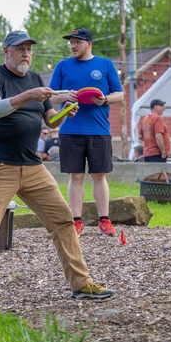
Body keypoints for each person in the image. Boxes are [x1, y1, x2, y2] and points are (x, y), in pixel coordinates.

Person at [0, 30, 113, 311]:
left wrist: (66, 111)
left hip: (32, 166)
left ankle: (81, 284)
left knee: (64, 220)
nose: (26, 53)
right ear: (6, 51)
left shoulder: (35, 79)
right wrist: (28, 95)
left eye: (29, 48)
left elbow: (50, 122)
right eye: (19, 49)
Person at [48, 27, 124, 237]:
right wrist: (65, 96)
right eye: (70, 42)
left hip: (99, 130)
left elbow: (120, 94)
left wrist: (105, 99)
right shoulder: (62, 66)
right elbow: (51, 97)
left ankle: (104, 220)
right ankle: (77, 221)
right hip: (70, 130)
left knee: (99, 175)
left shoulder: (105, 65)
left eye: (77, 42)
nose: (73, 45)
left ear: (89, 44)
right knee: (76, 176)